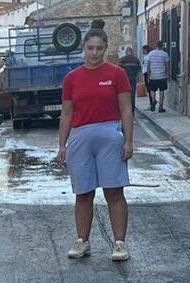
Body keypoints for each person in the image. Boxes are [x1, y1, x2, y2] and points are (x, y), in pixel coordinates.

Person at [57, 28, 134, 262]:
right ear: (84, 48)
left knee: (114, 191)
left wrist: (129, 140)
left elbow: (126, 109)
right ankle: (82, 241)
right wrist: (62, 145)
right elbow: (67, 113)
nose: (94, 53)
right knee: (83, 193)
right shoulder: (72, 78)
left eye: (99, 48)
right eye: (90, 48)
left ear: (105, 48)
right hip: (80, 137)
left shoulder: (117, 74)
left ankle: (119, 244)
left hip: (110, 135)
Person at [143, 43, 170, 112]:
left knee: (152, 90)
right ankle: (160, 107)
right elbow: (167, 66)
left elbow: (148, 66)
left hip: (153, 76)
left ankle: (153, 100)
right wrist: (167, 75)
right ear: (162, 46)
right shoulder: (165, 54)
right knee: (162, 91)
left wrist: (148, 76)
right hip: (162, 76)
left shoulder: (150, 54)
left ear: (156, 46)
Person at [119, 46, 142, 114]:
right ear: (132, 52)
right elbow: (139, 71)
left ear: (126, 52)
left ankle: (126, 110)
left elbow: (119, 71)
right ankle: (132, 111)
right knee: (132, 96)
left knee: (125, 96)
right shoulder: (136, 60)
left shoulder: (122, 60)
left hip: (124, 80)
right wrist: (139, 80)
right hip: (133, 79)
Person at [140, 45, 157, 112]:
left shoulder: (149, 56)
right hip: (145, 73)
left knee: (150, 89)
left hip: (148, 73)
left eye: (143, 50)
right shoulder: (146, 56)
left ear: (146, 50)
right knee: (149, 89)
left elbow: (148, 66)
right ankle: (152, 101)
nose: (142, 51)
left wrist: (148, 76)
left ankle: (152, 102)